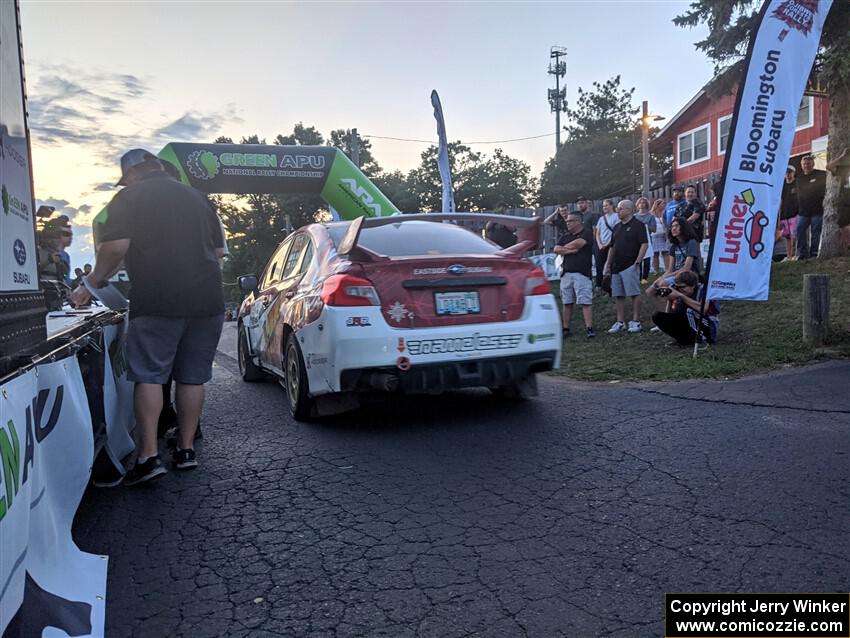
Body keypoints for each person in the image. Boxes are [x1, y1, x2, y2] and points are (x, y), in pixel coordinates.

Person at [71, 148, 225, 486]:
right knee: (192, 377)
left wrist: (92, 282)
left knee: (151, 376)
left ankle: (148, 456)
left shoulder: (129, 198)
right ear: (159, 167)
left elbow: (115, 247)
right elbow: (218, 251)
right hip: (208, 298)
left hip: (158, 298)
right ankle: (185, 451)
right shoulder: (198, 197)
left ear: (132, 175)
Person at [604, 199, 647, 333]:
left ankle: (636, 321)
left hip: (630, 264)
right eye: (617, 208)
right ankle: (620, 321)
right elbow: (612, 246)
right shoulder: (617, 227)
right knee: (618, 294)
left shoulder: (638, 225)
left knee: (634, 293)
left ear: (629, 210)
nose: (618, 210)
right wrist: (608, 263)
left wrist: (638, 261)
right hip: (616, 265)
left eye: (620, 208)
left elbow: (644, 244)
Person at [553, 211, 595, 338]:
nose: (567, 223)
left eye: (570, 221)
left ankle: (589, 328)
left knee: (585, 301)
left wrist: (564, 249)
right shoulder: (565, 235)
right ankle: (566, 328)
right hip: (566, 273)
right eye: (567, 221)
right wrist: (570, 252)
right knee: (567, 302)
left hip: (582, 273)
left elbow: (578, 243)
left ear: (578, 221)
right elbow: (556, 249)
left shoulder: (586, 233)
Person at [651, 270, 720, 346]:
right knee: (658, 316)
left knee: (688, 311)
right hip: (690, 324)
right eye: (677, 287)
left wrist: (681, 296)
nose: (679, 289)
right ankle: (683, 340)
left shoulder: (704, 290)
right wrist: (670, 300)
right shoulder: (680, 292)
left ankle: (701, 340)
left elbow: (704, 309)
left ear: (693, 285)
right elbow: (670, 315)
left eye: (682, 287)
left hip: (708, 326)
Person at [795, 153, 827, 259]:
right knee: (799, 230)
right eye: (804, 164)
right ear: (801, 165)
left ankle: (813, 253)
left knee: (815, 232)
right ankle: (802, 253)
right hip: (803, 211)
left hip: (817, 210)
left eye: (808, 164)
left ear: (813, 164)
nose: (806, 166)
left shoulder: (821, 174)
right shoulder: (799, 178)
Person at [825, 147, 850, 255]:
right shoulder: (844, 168)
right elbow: (829, 166)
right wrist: (841, 156)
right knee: (843, 224)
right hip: (845, 199)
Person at [594, 199, 619, 289]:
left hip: (611, 245)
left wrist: (608, 243)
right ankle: (598, 285)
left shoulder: (616, 217)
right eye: (604, 206)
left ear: (612, 206)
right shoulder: (601, 218)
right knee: (599, 265)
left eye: (606, 205)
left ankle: (611, 286)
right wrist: (600, 244)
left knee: (611, 266)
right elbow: (597, 232)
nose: (604, 207)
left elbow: (616, 232)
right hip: (601, 245)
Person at [634, 197, 656, 284]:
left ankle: (644, 277)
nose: (642, 204)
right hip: (636, 240)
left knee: (646, 259)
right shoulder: (635, 216)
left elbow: (654, 229)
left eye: (644, 203)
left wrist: (645, 226)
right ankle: (638, 277)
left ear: (646, 204)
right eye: (640, 203)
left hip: (647, 240)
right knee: (638, 258)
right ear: (638, 205)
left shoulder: (651, 216)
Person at [778, 166, 799, 261]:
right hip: (784, 215)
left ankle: (795, 255)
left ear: (793, 173)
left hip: (795, 214)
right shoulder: (781, 185)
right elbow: (780, 201)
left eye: (790, 172)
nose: (788, 174)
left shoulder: (797, 183)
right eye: (786, 172)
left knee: (794, 236)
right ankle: (789, 255)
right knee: (787, 237)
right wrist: (779, 217)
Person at [649, 198, 669, 276]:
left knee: (666, 252)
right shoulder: (651, 214)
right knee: (655, 254)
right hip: (654, 235)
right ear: (657, 205)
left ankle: (667, 269)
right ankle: (656, 270)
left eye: (664, 204)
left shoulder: (665, 213)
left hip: (664, 235)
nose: (664, 205)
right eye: (662, 204)